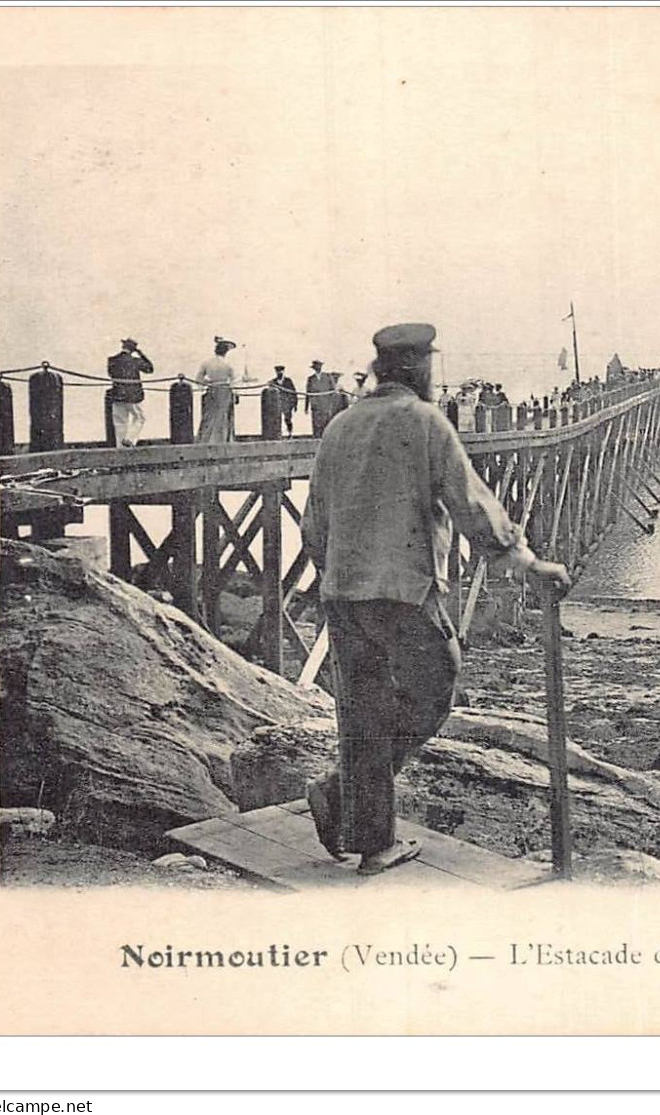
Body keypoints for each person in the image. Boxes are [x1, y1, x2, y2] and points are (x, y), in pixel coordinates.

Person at [301, 322, 571, 876]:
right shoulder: (427, 422)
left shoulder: (340, 427)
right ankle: (338, 793)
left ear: (380, 367)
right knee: (433, 692)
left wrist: (336, 575)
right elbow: (472, 504)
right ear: (420, 368)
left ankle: (370, 839)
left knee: (361, 716)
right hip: (404, 592)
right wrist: (526, 562)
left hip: (344, 594)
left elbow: (313, 522)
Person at [106, 337, 152, 447]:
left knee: (120, 422)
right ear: (133, 349)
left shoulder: (112, 360)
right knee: (140, 418)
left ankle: (121, 448)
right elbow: (150, 369)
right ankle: (130, 440)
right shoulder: (135, 361)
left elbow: (111, 374)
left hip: (117, 394)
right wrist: (141, 354)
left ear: (123, 347)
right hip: (133, 396)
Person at [196, 337, 238, 443]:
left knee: (209, 417)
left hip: (212, 390)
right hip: (225, 391)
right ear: (225, 352)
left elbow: (198, 379)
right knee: (224, 417)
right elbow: (235, 380)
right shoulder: (229, 364)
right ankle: (224, 440)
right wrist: (235, 393)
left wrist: (207, 384)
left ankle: (206, 440)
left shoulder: (207, 363)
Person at [305, 359, 341, 436]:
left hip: (326, 404)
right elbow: (308, 393)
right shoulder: (311, 379)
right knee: (317, 423)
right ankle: (317, 438)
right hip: (316, 406)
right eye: (315, 366)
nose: (317, 367)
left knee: (327, 422)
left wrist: (332, 405)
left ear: (321, 366)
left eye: (318, 366)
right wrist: (306, 407)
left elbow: (333, 391)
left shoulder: (327, 376)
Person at [264, 365, 298, 437]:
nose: (279, 373)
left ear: (283, 372)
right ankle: (278, 433)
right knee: (276, 419)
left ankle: (290, 433)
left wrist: (295, 404)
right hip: (277, 404)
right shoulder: (273, 382)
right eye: (278, 372)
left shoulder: (288, 381)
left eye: (281, 371)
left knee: (288, 419)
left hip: (287, 404)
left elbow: (294, 392)